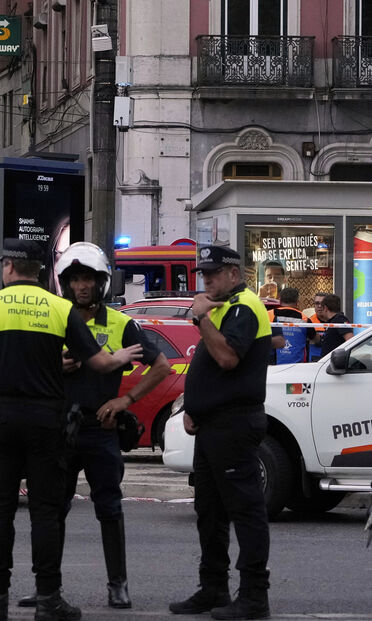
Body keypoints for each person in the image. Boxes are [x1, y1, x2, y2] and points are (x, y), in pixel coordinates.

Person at [0, 239, 143, 621]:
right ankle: (47, 599)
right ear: (41, 271)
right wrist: (120, 356)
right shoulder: (60, 310)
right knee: (44, 512)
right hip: (45, 422)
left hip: (3, 419)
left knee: (1, 510)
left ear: (9, 266)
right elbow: (101, 363)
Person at [16, 243, 170, 611]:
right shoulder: (51, 316)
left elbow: (161, 366)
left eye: (89, 279)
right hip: (58, 431)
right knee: (52, 510)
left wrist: (125, 401)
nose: (82, 286)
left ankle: (118, 585)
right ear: (64, 283)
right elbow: (26, 366)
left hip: (101, 430)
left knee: (110, 508)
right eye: (75, 279)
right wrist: (57, 366)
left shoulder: (121, 323)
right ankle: (46, 588)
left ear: (101, 283)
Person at [169, 245, 272, 620]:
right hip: (212, 425)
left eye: (213, 273)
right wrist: (194, 408)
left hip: (233, 424)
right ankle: (213, 587)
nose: (206, 280)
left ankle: (254, 595)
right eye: (203, 274)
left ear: (234, 273)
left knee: (245, 511)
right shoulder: (225, 307)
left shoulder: (244, 306)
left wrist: (201, 320)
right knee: (209, 511)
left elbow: (228, 358)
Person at [267, 287, 314, 364]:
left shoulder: (268, 315)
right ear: (297, 302)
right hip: (297, 367)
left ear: (280, 300)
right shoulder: (305, 319)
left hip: (272, 367)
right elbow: (315, 339)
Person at [306, 291, 329, 360]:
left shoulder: (335, 321)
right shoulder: (309, 322)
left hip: (330, 358)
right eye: (317, 303)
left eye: (323, 303)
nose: (319, 306)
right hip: (314, 360)